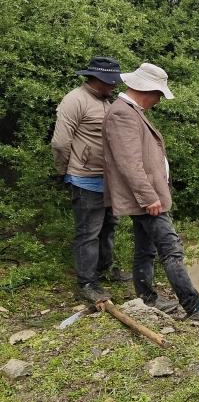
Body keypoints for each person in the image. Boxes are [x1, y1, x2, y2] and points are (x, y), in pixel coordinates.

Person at [102, 63, 199, 326]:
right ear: (146, 88)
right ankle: (194, 307)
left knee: (145, 249)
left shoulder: (129, 111)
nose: (159, 100)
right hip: (146, 197)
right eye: (159, 94)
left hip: (146, 195)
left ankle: (148, 297)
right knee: (171, 249)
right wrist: (149, 197)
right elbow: (129, 163)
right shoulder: (122, 114)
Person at [51, 57, 132, 303]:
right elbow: (60, 142)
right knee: (88, 232)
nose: (114, 86)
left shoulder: (107, 101)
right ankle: (87, 282)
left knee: (109, 227)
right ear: (98, 79)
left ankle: (105, 268)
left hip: (110, 180)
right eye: (110, 82)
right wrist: (64, 170)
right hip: (85, 179)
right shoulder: (74, 100)